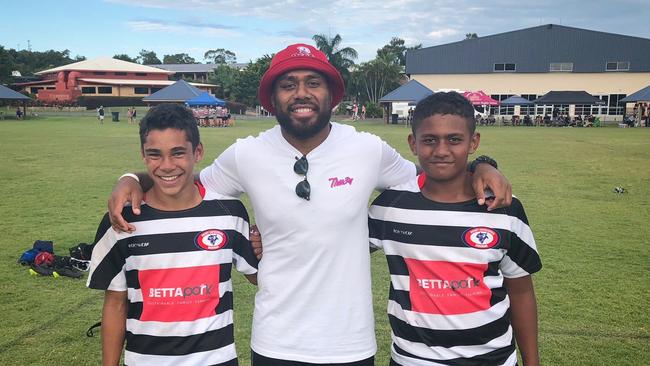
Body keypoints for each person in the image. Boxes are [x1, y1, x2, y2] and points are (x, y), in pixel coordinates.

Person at [107, 44, 511, 366]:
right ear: (272, 97)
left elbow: (431, 174)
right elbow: (184, 180)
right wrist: (131, 177)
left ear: (331, 94)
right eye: (289, 84)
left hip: (350, 343)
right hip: (276, 340)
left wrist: (481, 166)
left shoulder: (367, 149)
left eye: (313, 82)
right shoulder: (246, 155)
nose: (301, 93)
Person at [369, 92, 541, 366]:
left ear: (473, 142)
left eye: (454, 139)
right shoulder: (390, 207)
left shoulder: (504, 207)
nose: (441, 150)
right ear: (413, 143)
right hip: (411, 361)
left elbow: (520, 290)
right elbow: (340, 250)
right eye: (429, 140)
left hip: (493, 360)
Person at [87, 103, 258, 365]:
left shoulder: (229, 213)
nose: (167, 166)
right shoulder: (122, 220)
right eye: (155, 154)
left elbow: (259, 277)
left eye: (178, 153)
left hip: (217, 360)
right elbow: (115, 304)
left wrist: (266, 248)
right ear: (143, 155)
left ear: (197, 152)